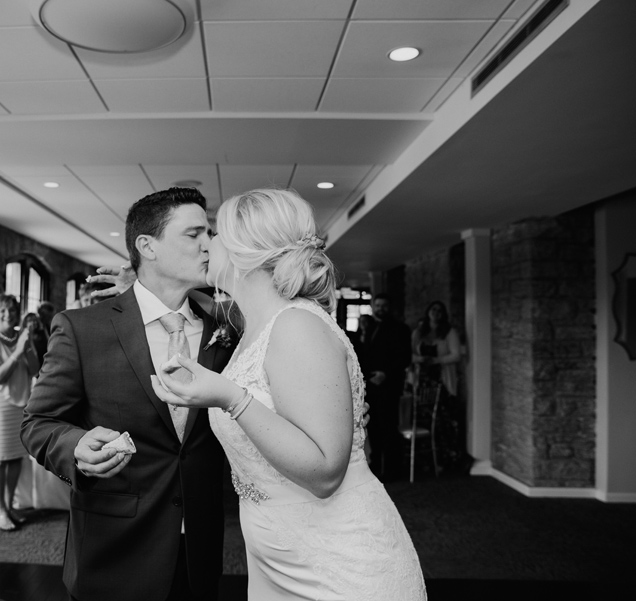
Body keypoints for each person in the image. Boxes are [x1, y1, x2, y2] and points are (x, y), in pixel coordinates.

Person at [152, 188, 426, 600]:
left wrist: (231, 397)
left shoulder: (297, 326)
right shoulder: (254, 326)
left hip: (337, 561)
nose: (205, 243)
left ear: (248, 251)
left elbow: (325, 471)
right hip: (278, 557)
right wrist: (141, 285)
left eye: (215, 233)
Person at [21, 187, 238, 601]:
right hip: (113, 549)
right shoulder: (82, 327)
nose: (209, 244)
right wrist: (76, 446)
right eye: (194, 234)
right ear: (147, 246)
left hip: (201, 550)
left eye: (209, 233)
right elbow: (37, 423)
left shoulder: (226, 330)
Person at [0, 294, 40, 531]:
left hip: (21, 403)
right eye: (3, 311)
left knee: (16, 457)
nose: (9, 315)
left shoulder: (22, 337)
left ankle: (9, 503)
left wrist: (27, 346)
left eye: (13, 310)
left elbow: (35, 370)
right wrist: (18, 350)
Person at [411, 300, 469, 474]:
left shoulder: (449, 332)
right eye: (433, 309)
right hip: (423, 381)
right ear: (428, 311)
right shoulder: (419, 333)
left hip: (442, 381)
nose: (436, 313)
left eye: (440, 310)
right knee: (424, 419)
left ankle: (447, 460)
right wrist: (421, 360)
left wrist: (437, 360)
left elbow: (456, 355)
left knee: (443, 421)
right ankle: (425, 461)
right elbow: (410, 354)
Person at [359, 292, 411, 481]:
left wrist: (385, 374)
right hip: (371, 385)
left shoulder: (400, 328)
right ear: (373, 307)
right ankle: (375, 463)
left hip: (389, 385)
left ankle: (392, 468)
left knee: (389, 427)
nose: (381, 308)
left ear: (389, 308)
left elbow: (405, 357)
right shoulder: (369, 327)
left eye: (384, 305)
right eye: (377, 305)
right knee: (373, 427)